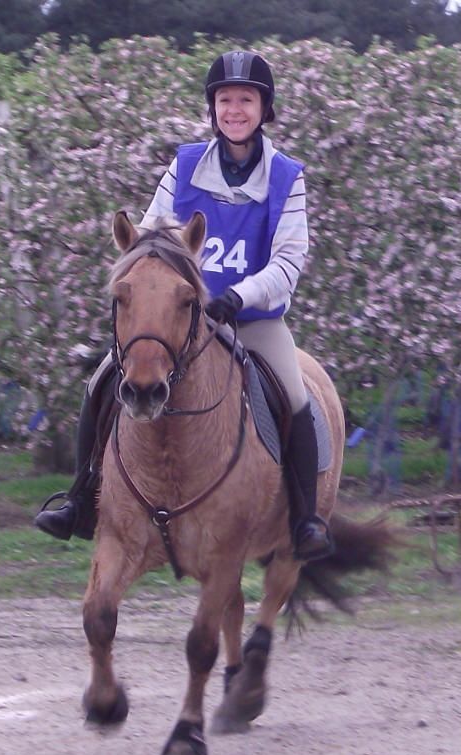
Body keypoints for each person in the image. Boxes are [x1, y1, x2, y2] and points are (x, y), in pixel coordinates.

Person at [35, 50, 333, 562]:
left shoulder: (288, 177)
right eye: (225, 100)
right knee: (102, 379)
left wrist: (238, 297)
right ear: (212, 108)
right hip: (179, 319)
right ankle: (80, 500)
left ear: (264, 109)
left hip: (252, 319)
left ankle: (305, 518)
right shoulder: (187, 165)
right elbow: (150, 236)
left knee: (295, 394)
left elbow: (288, 262)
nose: (234, 110)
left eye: (245, 100)